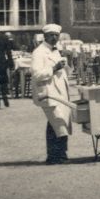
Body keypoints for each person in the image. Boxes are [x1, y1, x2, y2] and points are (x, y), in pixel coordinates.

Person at [31, 23, 73, 164]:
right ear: (45, 36)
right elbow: (36, 75)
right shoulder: (39, 52)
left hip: (60, 92)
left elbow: (65, 72)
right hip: (49, 92)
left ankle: (58, 155)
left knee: (57, 123)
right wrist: (54, 68)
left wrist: (69, 62)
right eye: (51, 35)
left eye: (56, 35)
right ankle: (57, 156)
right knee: (58, 122)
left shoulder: (55, 51)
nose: (54, 38)